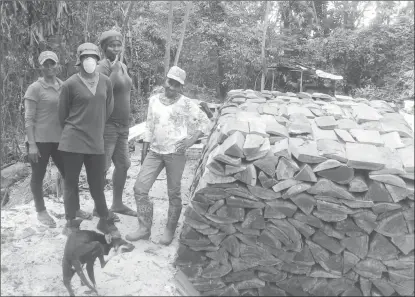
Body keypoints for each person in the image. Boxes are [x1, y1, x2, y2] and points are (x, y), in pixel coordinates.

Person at [126, 66, 211, 245]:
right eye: (169, 82)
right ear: (165, 80)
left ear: (181, 87)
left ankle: (169, 229)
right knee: (140, 188)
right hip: (155, 152)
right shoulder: (154, 101)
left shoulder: (187, 103)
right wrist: (145, 152)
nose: (171, 87)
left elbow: (205, 122)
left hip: (176, 154)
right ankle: (144, 227)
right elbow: (149, 127)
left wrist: (191, 140)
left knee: (173, 193)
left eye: (176, 85)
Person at [58, 43, 120, 237]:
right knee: (71, 183)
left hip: (95, 141)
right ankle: (70, 222)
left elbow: (108, 108)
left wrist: (96, 125)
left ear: (98, 58)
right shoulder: (70, 84)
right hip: (73, 140)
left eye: (93, 56)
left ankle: (104, 220)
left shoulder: (105, 82)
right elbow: (62, 115)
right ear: (79, 60)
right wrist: (76, 128)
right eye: (85, 57)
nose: (89, 60)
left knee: (97, 184)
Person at [90, 30, 135, 221]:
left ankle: (117, 203)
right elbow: (103, 93)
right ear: (103, 47)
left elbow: (126, 92)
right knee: (103, 166)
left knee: (123, 164)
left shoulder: (122, 65)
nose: (116, 48)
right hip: (108, 126)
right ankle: (99, 208)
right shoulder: (101, 68)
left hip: (123, 126)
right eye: (111, 45)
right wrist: (115, 72)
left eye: (118, 45)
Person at [24, 51, 66, 227]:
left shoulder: (63, 86)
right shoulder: (35, 88)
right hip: (39, 141)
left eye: (52, 64)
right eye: (46, 64)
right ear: (40, 67)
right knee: (38, 176)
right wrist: (32, 144)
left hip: (60, 140)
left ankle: (73, 207)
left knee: (68, 174)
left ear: (58, 65)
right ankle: (41, 211)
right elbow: (28, 118)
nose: (49, 67)